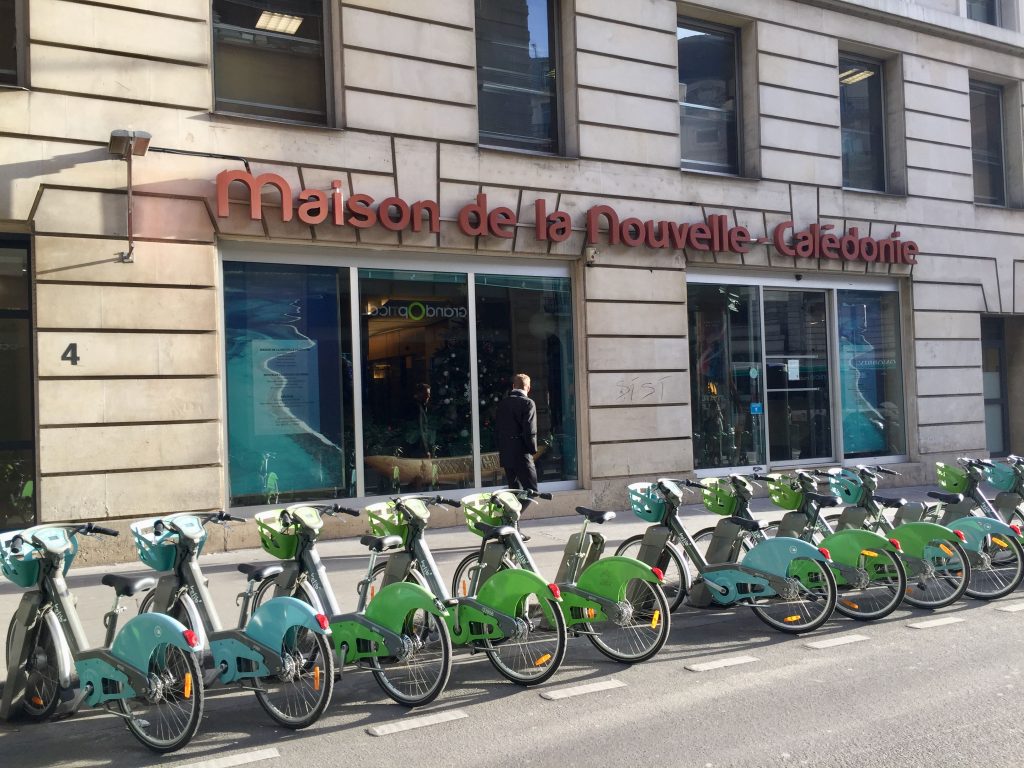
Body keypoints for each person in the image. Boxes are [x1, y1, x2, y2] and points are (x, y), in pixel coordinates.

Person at [496, 373, 539, 492]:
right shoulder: (528, 403)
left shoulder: (503, 403)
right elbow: (530, 431)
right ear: (528, 387)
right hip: (521, 452)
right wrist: (533, 449)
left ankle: (513, 511)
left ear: (514, 386)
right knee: (532, 491)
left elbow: (498, 429)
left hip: (506, 452)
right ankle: (517, 511)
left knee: (514, 491)